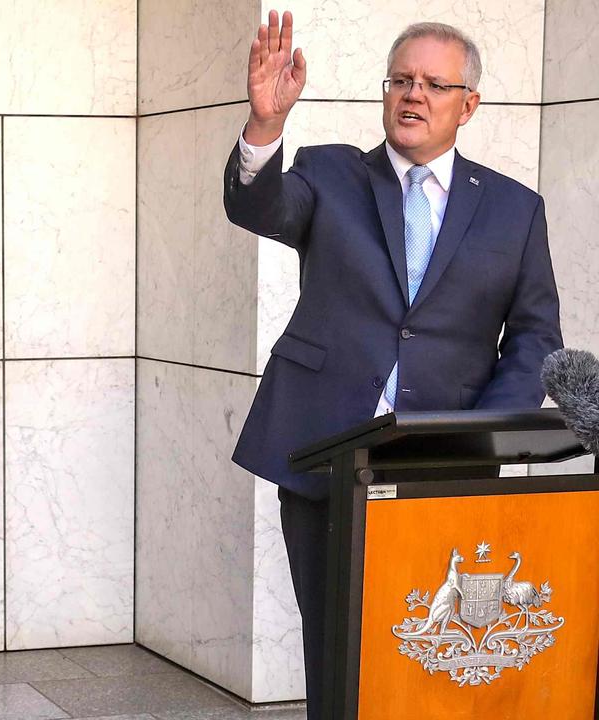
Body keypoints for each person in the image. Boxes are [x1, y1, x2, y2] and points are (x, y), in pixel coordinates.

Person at [224, 13, 562, 718]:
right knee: (336, 650)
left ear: (468, 104)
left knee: (432, 658)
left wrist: (476, 432)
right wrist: (264, 128)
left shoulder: (514, 211)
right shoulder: (328, 172)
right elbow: (259, 205)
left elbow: (534, 336)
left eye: (434, 84)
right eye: (401, 80)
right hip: (324, 457)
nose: (413, 95)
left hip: (445, 468)